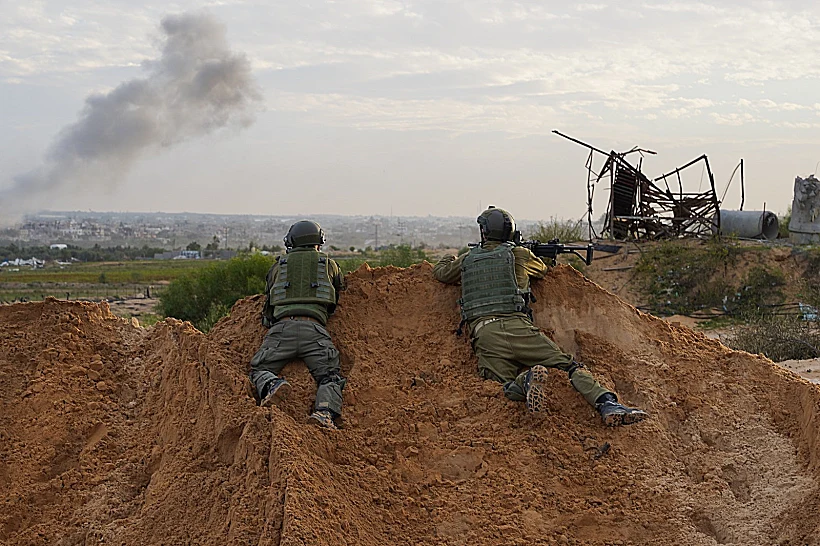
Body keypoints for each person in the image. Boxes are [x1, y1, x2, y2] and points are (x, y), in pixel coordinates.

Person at [433, 206, 647, 426]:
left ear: (484, 232)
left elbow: (441, 273)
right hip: (519, 328)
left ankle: (524, 382)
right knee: (570, 366)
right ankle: (607, 403)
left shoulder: (468, 260)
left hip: (485, 334)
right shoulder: (519, 254)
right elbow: (543, 270)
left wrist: (448, 257)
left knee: (497, 388)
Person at [249, 220, 346, 430]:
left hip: (282, 328)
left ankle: (273, 384)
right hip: (315, 330)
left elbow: (268, 308)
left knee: (259, 368)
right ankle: (324, 413)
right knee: (330, 376)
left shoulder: (279, 266)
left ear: (292, 241)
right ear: (318, 241)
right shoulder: (328, 264)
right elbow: (338, 292)